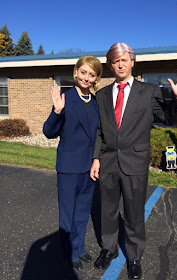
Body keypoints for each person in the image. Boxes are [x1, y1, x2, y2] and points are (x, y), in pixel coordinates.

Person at [90, 42, 177, 279]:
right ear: (110, 65)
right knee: (107, 210)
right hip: (108, 162)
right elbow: (99, 130)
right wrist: (96, 158)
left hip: (134, 163)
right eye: (115, 60)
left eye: (124, 59)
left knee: (134, 213)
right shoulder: (102, 95)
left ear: (132, 62)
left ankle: (134, 256)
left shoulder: (148, 92)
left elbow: (168, 119)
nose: (120, 64)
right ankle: (109, 249)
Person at [43, 55, 103, 271]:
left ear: (96, 78)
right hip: (69, 168)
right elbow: (49, 132)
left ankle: (79, 247)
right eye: (83, 72)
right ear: (76, 72)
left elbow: (98, 134)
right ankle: (67, 251)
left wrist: (97, 159)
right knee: (68, 213)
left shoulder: (96, 102)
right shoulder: (65, 99)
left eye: (92, 74)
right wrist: (57, 111)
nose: (86, 77)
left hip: (89, 168)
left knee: (82, 212)